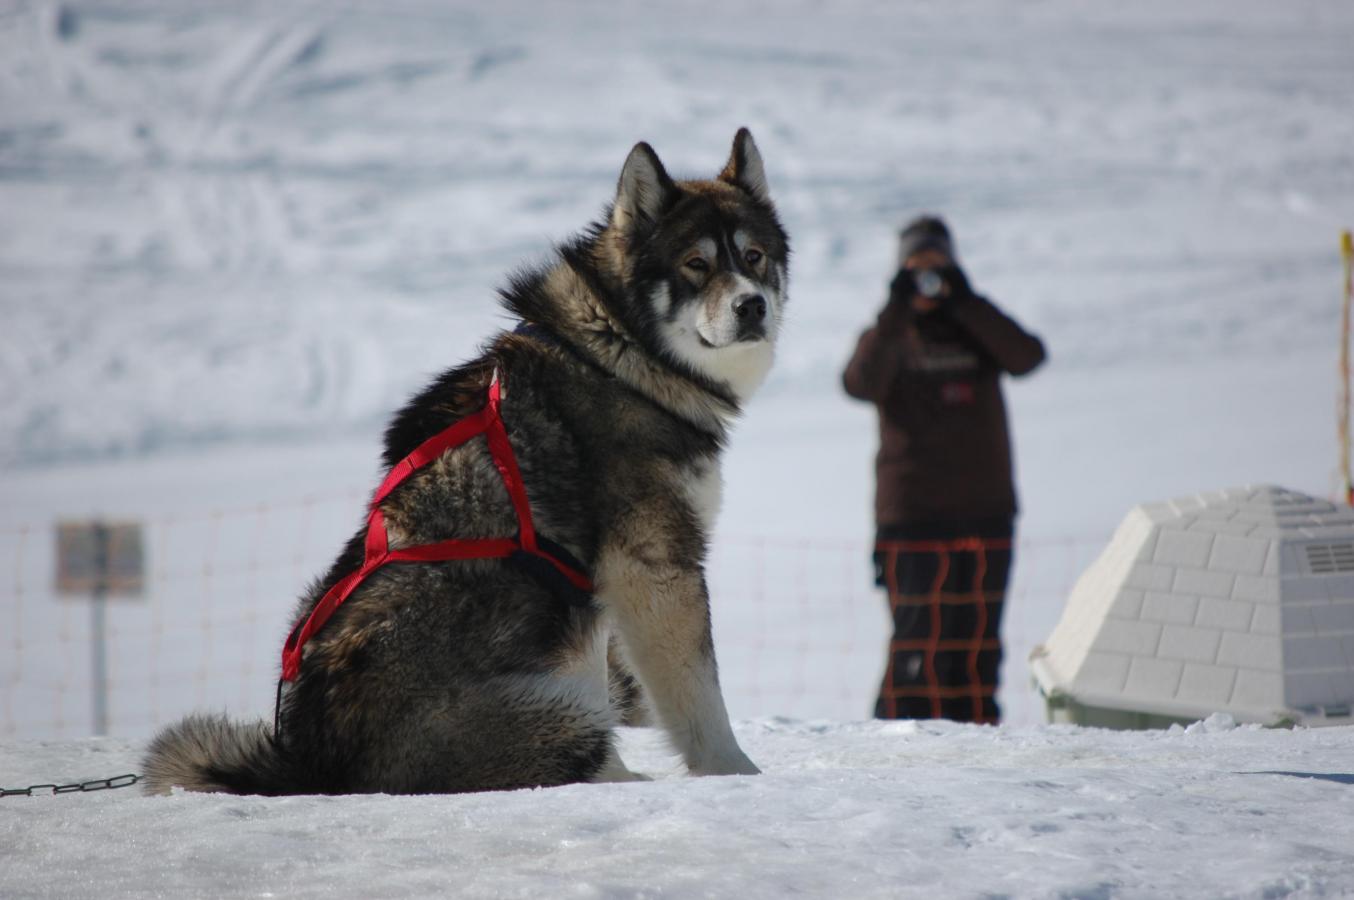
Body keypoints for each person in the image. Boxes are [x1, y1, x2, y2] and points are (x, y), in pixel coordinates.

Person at [843, 215, 1045, 723]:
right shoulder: (891, 335)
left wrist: (965, 300)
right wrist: (895, 308)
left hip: (986, 514)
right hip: (911, 518)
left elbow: (1026, 357)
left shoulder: (974, 325)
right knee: (917, 645)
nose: (930, 279)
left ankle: (978, 753)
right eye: (917, 268)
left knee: (978, 645)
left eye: (939, 266)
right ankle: (897, 752)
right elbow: (859, 384)